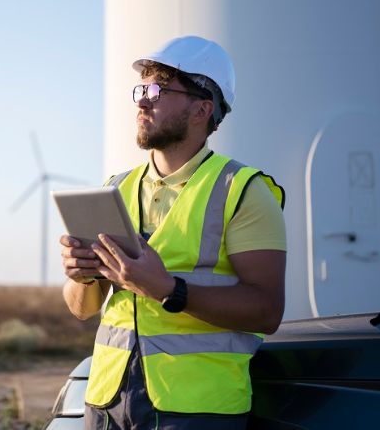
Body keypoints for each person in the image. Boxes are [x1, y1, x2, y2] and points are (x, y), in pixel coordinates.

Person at [60, 35, 286, 430]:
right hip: (107, 404)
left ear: (203, 108)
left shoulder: (245, 191)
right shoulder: (115, 189)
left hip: (196, 409)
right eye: (142, 89)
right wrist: (82, 276)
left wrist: (168, 289)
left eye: (159, 89)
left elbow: (267, 312)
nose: (143, 100)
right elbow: (81, 308)